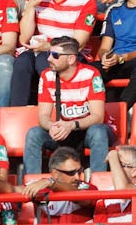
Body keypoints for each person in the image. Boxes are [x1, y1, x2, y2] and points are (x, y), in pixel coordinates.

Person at [26, 36, 110, 176]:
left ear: (71, 59)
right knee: (34, 134)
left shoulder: (91, 75)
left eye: (55, 55)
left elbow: (98, 117)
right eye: (48, 54)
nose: (49, 59)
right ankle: (32, 184)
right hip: (63, 131)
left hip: (86, 130)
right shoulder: (47, 76)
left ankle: (98, 186)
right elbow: (43, 116)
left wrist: (70, 125)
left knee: (98, 131)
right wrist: (52, 126)